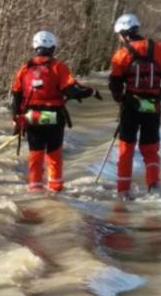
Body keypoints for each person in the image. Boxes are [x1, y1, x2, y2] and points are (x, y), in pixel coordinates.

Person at [10, 30, 101, 192]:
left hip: (31, 118)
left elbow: (15, 94)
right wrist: (91, 92)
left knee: (35, 155)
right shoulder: (58, 67)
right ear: (53, 47)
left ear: (35, 46)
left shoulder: (25, 68)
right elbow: (72, 90)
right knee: (53, 155)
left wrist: (16, 118)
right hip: (54, 117)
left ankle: (34, 189)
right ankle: (56, 188)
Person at [108, 14, 161, 198]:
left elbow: (115, 84)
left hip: (130, 107)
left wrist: (119, 99)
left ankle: (123, 191)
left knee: (126, 148)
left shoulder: (121, 54)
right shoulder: (159, 49)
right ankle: (154, 185)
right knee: (150, 148)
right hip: (153, 107)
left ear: (123, 34)